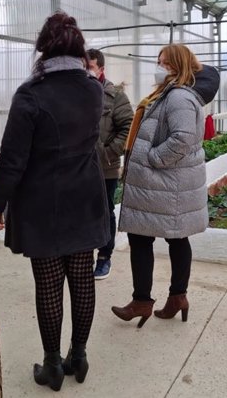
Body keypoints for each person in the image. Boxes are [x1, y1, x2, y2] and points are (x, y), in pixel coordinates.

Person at [0, 12, 109, 391]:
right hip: (86, 196)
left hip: (43, 204)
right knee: (83, 279)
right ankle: (80, 357)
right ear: (78, 49)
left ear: (42, 48)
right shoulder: (93, 89)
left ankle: (53, 365)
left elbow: (13, 157)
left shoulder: (32, 93)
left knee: (49, 284)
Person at [112, 44, 219, 328]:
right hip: (163, 184)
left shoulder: (180, 97)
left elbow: (183, 137)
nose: (160, 68)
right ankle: (164, 299)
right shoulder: (169, 92)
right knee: (161, 238)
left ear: (178, 65)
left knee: (154, 238)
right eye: (159, 62)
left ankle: (150, 300)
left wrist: (153, 158)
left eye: (165, 63)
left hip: (166, 182)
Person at [86, 48, 133, 281]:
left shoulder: (115, 97)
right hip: (79, 168)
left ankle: (104, 257)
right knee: (82, 211)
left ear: (102, 69)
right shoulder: (75, 94)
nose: (86, 71)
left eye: (90, 67)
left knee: (104, 212)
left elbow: (128, 126)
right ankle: (83, 255)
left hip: (105, 167)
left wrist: (108, 152)